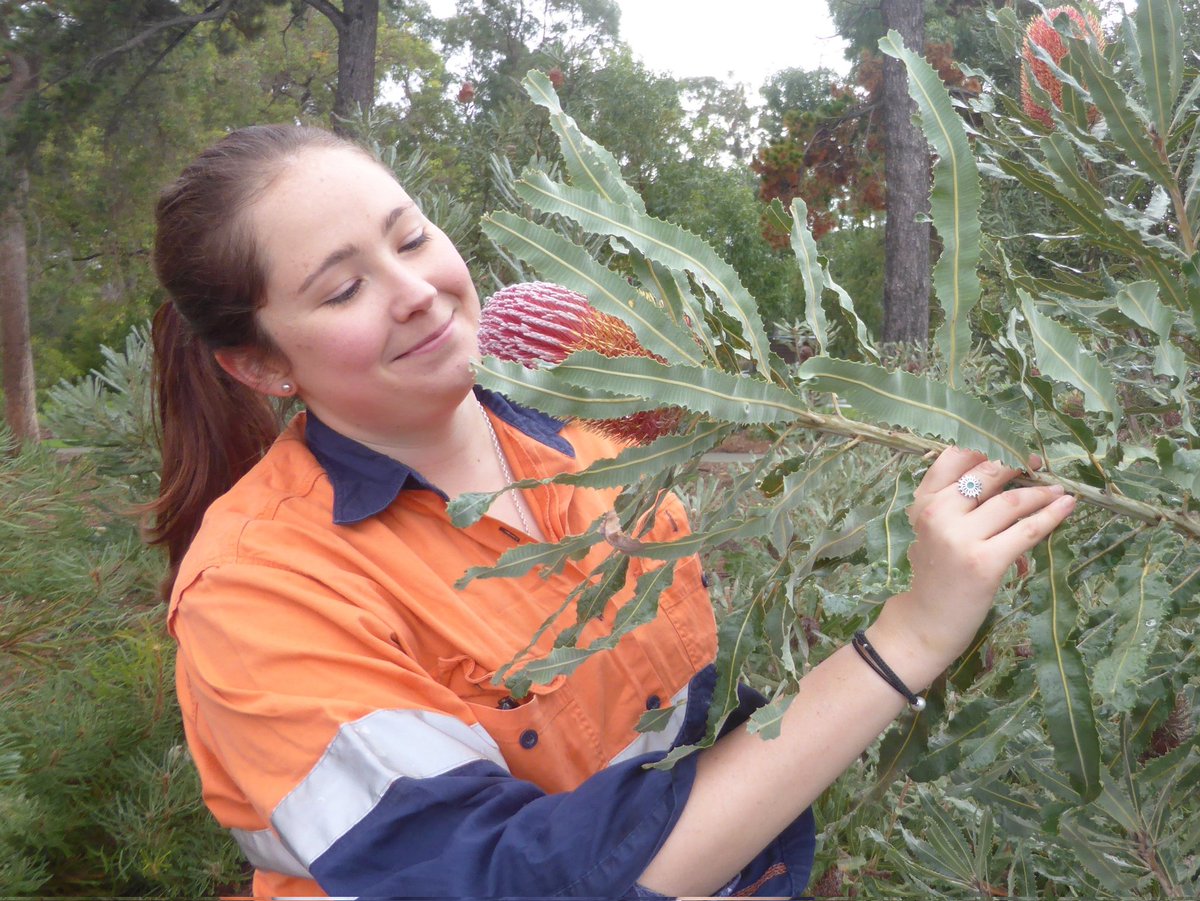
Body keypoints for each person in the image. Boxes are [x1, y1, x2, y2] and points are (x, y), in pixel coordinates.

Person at [148, 123, 1076, 899]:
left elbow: (706, 716)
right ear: (261, 364)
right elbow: (524, 880)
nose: (418, 291)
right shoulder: (259, 592)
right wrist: (909, 637)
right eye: (344, 287)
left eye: (413, 235)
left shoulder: (593, 445)